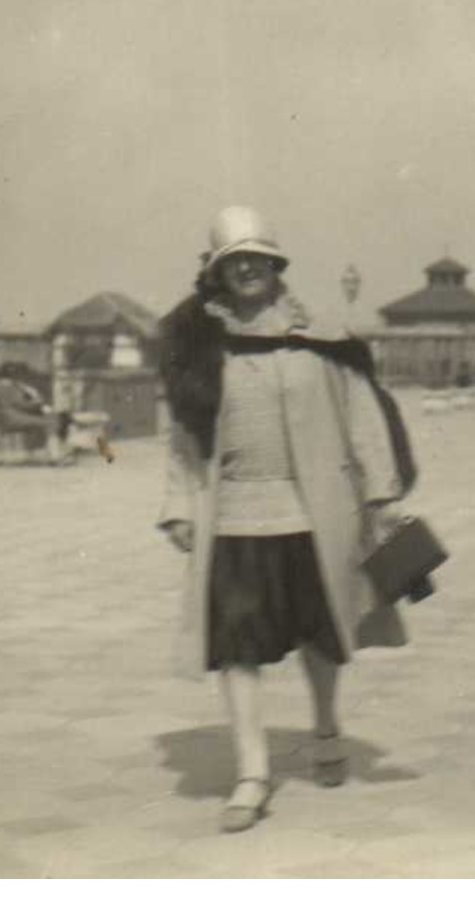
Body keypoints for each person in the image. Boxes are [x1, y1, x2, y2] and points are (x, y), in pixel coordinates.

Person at [156, 206, 418, 835]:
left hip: (312, 515)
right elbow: (184, 436)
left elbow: (363, 419)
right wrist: (177, 505)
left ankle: (326, 726)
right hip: (235, 518)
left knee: (318, 634)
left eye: (257, 258)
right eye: (232, 260)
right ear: (218, 274)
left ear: (275, 266)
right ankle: (252, 772)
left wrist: (382, 496)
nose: (246, 268)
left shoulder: (321, 338)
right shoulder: (202, 348)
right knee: (236, 647)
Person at [0, 362, 71, 461]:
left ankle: (48, 452)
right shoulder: (9, 388)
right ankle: (55, 455)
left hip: (6, 418)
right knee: (51, 421)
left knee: (50, 418)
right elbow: (22, 405)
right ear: (13, 376)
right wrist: (36, 397)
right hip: (15, 418)